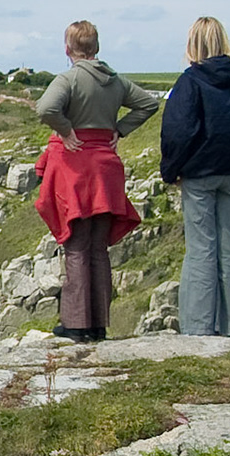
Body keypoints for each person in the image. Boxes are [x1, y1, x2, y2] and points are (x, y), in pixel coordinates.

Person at [33, 20, 159, 341]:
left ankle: (77, 324)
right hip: (107, 169)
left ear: (68, 49)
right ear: (97, 47)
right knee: (99, 248)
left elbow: (45, 108)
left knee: (77, 246)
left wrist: (66, 130)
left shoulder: (69, 79)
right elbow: (149, 103)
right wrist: (119, 130)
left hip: (76, 170)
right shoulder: (115, 81)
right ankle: (98, 324)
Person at [160, 16, 230, 338]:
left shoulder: (191, 81)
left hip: (198, 175)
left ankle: (198, 330)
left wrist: (171, 170)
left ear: (193, 44)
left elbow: (179, 131)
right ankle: (227, 327)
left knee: (201, 250)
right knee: (229, 248)